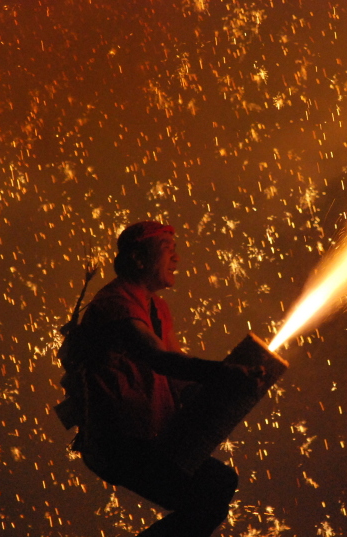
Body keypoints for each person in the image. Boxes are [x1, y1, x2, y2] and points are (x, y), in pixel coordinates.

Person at [71, 220, 261, 537]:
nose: (176, 258)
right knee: (210, 492)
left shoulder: (157, 308)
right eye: (166, 248)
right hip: (120, 443)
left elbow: (177, 376)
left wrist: (230, 388)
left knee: (217, 485)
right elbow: (158, 358)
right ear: (138, 258)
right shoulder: (115, 302)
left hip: (151, 438)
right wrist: (223, 373)